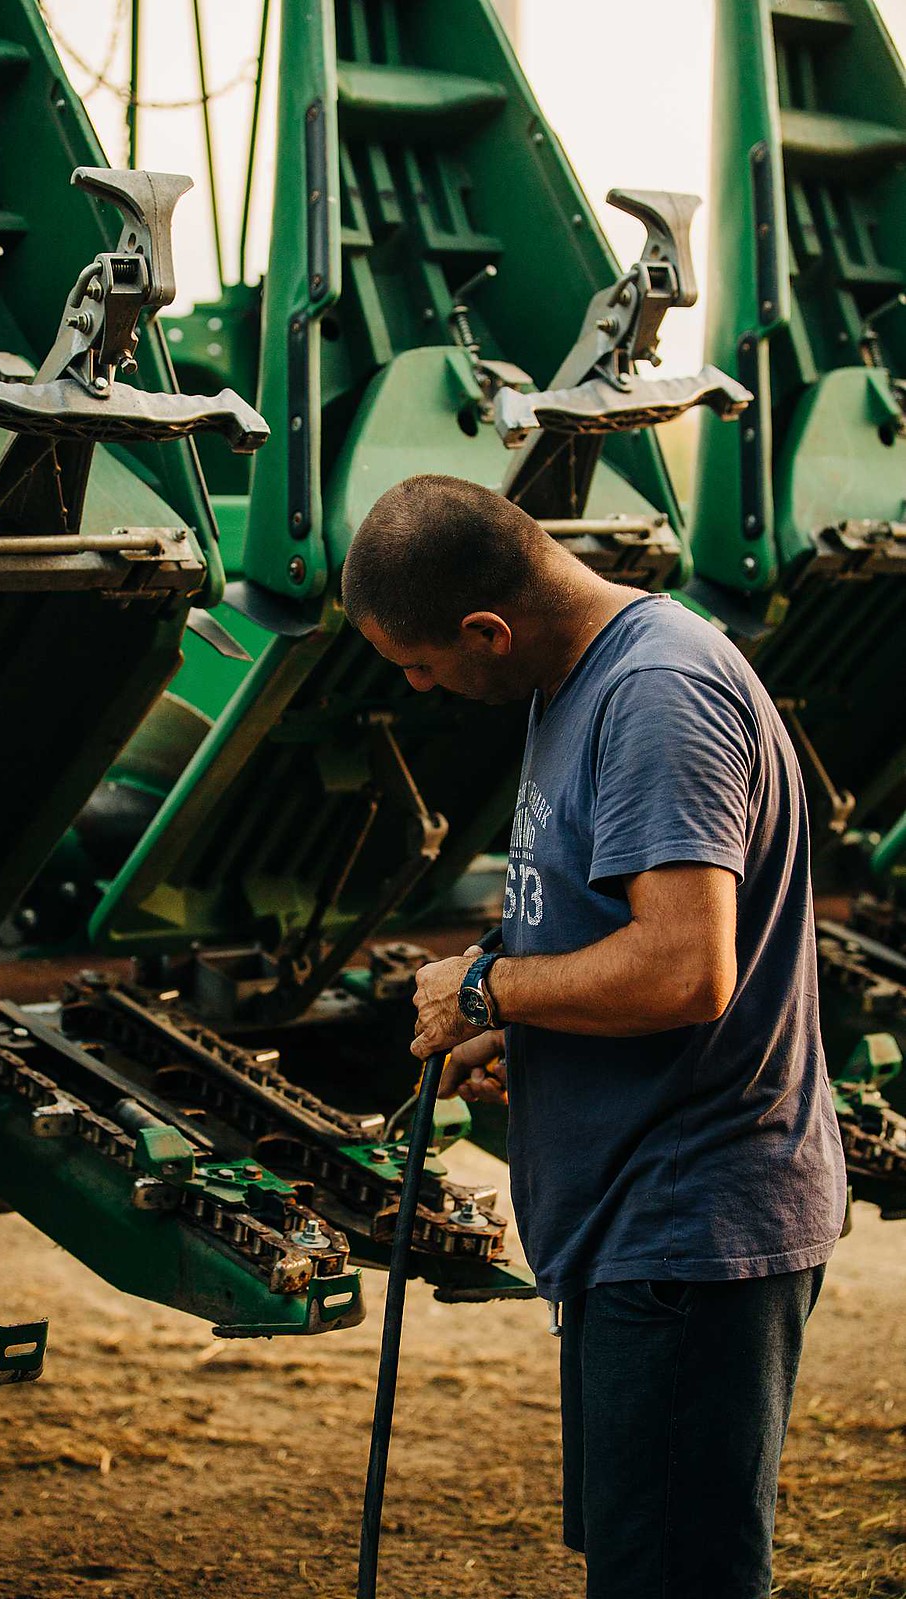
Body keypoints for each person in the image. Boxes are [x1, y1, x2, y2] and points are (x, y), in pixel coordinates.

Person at [341, 473, 846, 1599]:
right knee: (645, 1561)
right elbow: (606, 929)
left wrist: (488, 994)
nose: (421, 687)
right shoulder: (574, 681)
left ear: (487, 627)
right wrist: (531, 1030)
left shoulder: (656, 693)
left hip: (688, 1227)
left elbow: (684, 967)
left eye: (421, 663)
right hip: (637, 1221)